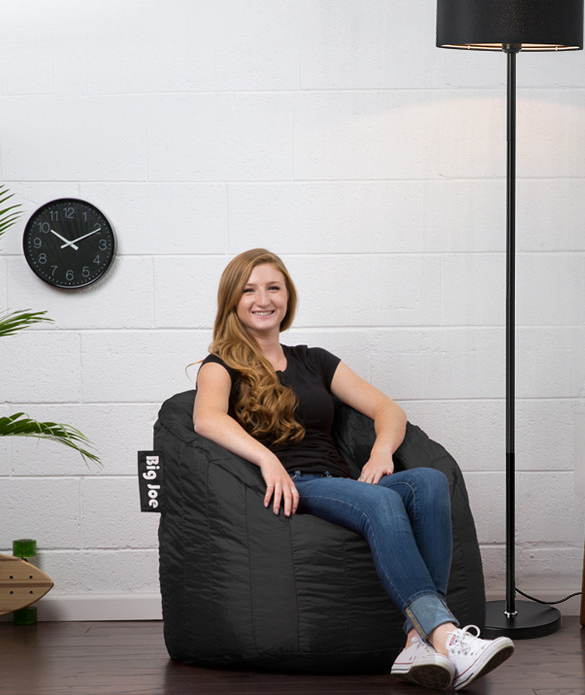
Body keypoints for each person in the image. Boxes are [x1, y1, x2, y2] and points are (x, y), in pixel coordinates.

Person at [193, 248, 514, 691]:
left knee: (429, 481)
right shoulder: (220, 365)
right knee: (382, 501)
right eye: (249, 290)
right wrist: (268, 459)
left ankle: (416, 642)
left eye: (273, 287)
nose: (263, 299)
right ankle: (446, 635)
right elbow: (206, 418)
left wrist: (381, 452)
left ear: (288, 296)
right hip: (296, 485)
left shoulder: (314, 360)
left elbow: (388, 409)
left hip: (342, 481)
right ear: (232, 299)